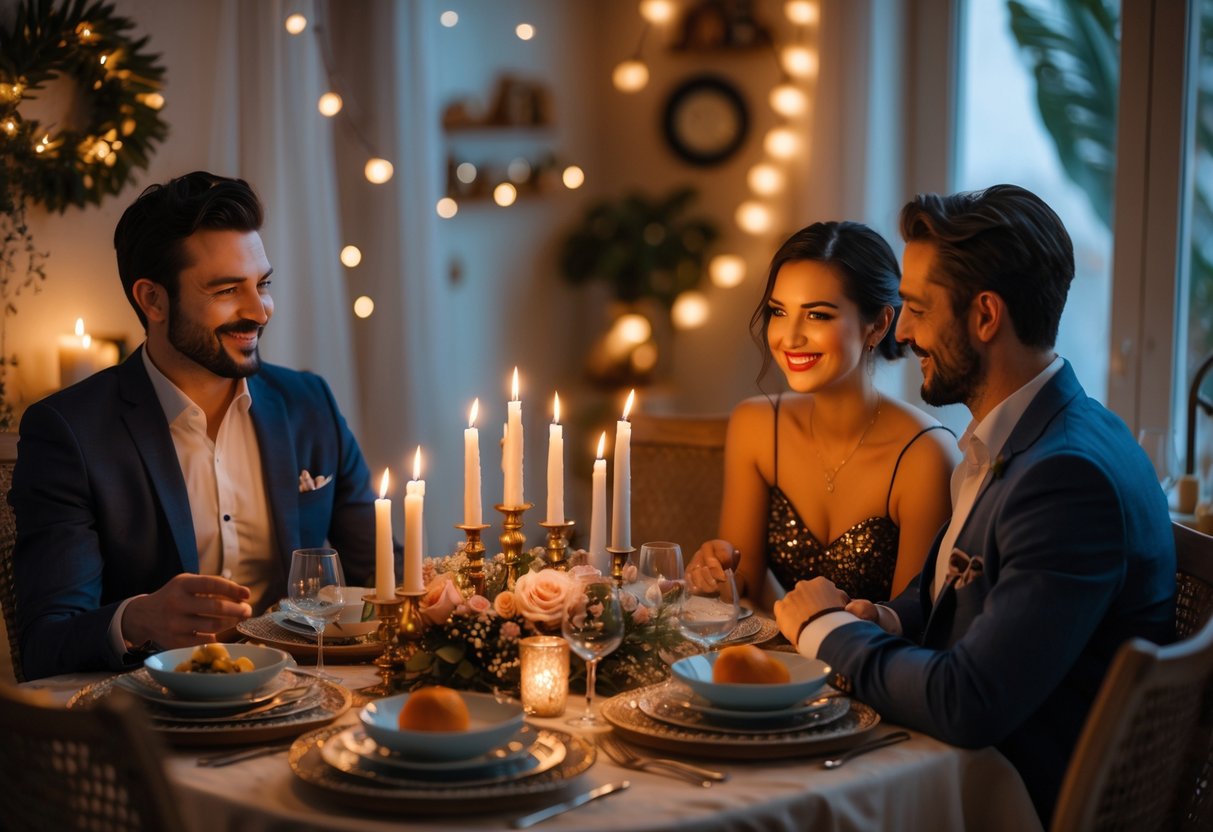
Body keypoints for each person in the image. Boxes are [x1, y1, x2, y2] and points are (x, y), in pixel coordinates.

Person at [773, 185, 1176, 822]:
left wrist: (828, 629)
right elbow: (948, 592)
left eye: (915, 309)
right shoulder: (1030, 433)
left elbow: (969, 700)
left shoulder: (1065, 479)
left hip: (1015, 799)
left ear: (985, 317)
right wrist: (886, 617)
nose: (901, 331)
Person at [11, 171, 394, 680]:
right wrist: (138, 618)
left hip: (306, 693)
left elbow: (383, 577)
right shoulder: (68, 432)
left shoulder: (309, 403)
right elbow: (45, 643)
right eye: (227, 290)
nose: (259, 311)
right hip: (163, 719)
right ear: (153, 300)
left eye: (262, 285)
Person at [686, 221, 957, 608]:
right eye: (779, 312)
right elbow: (741, 587)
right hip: (778, 665)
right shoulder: (756, 427)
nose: (790, 337)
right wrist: (717, 574)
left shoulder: (924, 455)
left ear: (878, 324)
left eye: (817, 316)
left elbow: (911, 629)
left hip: (875, 666)